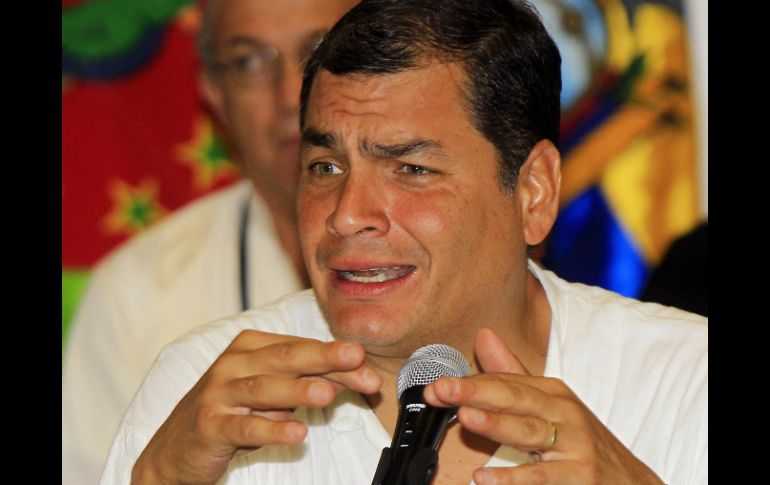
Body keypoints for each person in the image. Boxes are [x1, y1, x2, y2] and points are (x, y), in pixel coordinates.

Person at [101, 0, 708, 483]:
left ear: (534, 193)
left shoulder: (685, 384)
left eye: (411, 170)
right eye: (325, 168)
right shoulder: (209, 392)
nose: (346, 216)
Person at [61, 1, 358, 483]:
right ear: (213, 91)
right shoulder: (135, 291)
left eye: (320, 51)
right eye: (249, 60)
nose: (291, 95)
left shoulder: (462, 247)